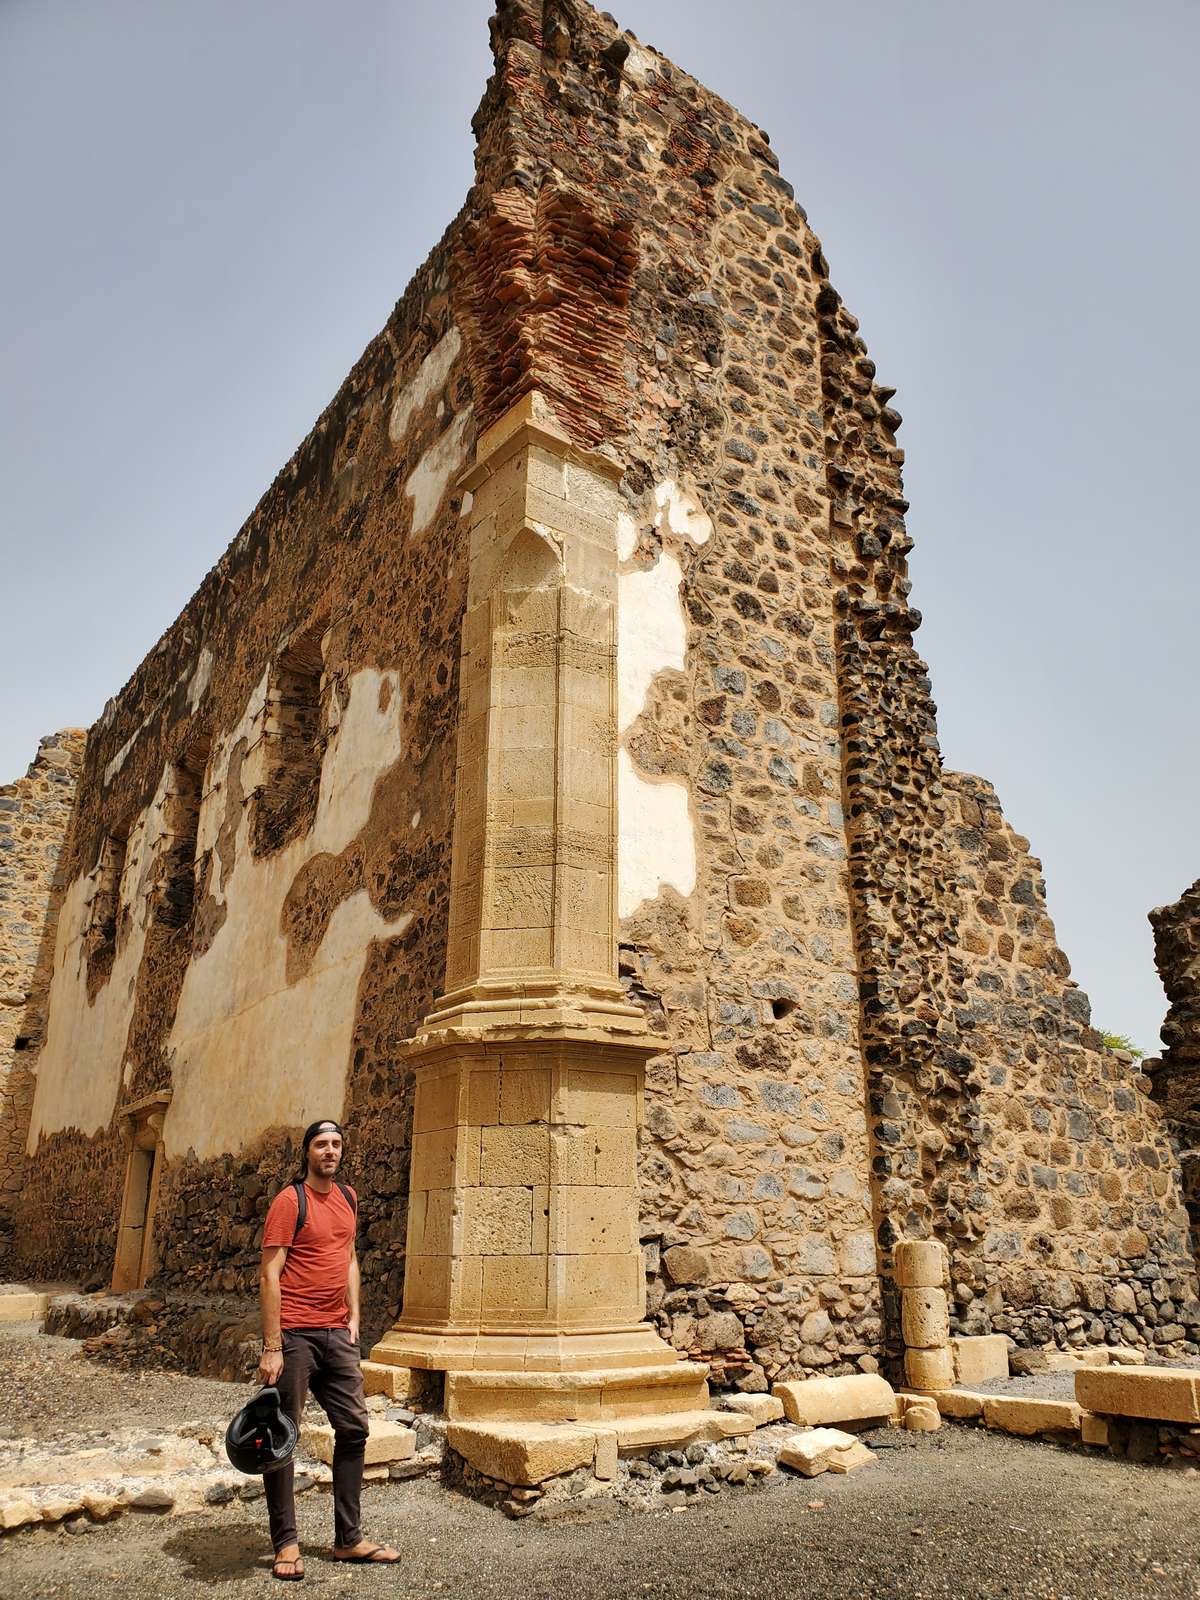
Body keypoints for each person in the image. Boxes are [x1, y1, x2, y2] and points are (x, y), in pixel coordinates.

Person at [258, 1118, 400, 1579]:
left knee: (354, 1429)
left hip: (338, 1335)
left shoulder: (348, 1197)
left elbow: (350, 1256)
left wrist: (356, 1316)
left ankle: (349, 1539)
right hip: (295, 1336)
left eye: (337, 1144)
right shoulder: (289, 1200)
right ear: (307, 1152)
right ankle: (286, 1545)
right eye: (321, 1144)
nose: (330, 1151)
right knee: (282, 1436)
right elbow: (269, 1274)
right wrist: (272, 1345)